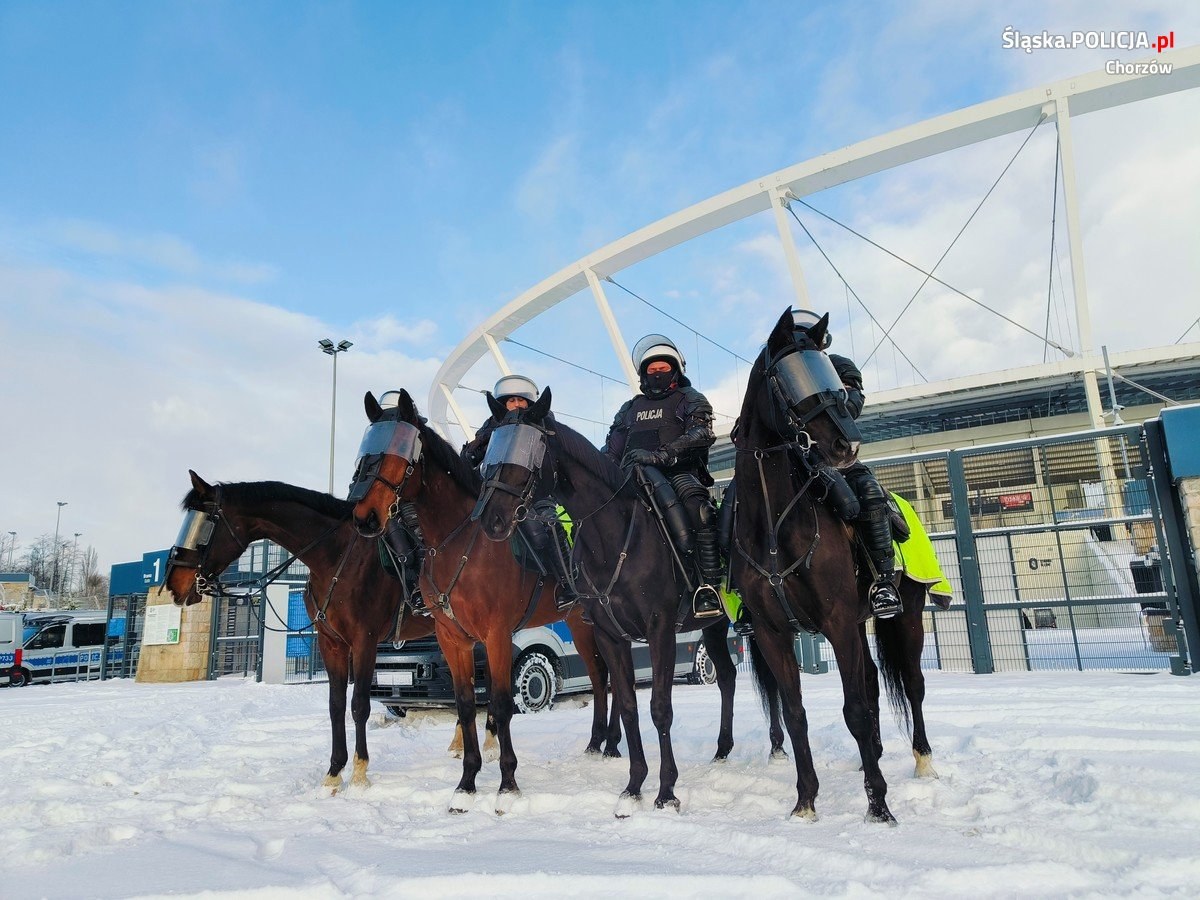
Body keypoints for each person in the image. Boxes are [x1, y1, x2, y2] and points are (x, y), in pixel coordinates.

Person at [603, 335, 724, 618]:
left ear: (676, 371)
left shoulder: (690, 399)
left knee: (699, 511)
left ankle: (708, 587)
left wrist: (662, 455)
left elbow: (701, 433)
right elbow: (613, 449)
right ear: (644, 375)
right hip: (630, 476)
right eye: (651, 371)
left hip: (677, 472)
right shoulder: (629, 408)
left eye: (663, 370)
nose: (656, 375)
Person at [792, 309, 903, 619]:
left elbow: (853, 401)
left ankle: (882, 582)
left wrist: (821, 409)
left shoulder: (838, 366)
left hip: (833, 456)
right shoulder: (781, 373)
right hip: (791, 459)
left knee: (868, 491)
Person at [462, 374, 577, 609]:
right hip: (499, 490)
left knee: (547, 525)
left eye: (520, 400)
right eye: (510, 401)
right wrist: (473, 450)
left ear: (529, 403)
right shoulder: (493, 425)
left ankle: (569, 583)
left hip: (536, 492)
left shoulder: (543, 423)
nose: (515, 405)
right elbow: (476, 454)